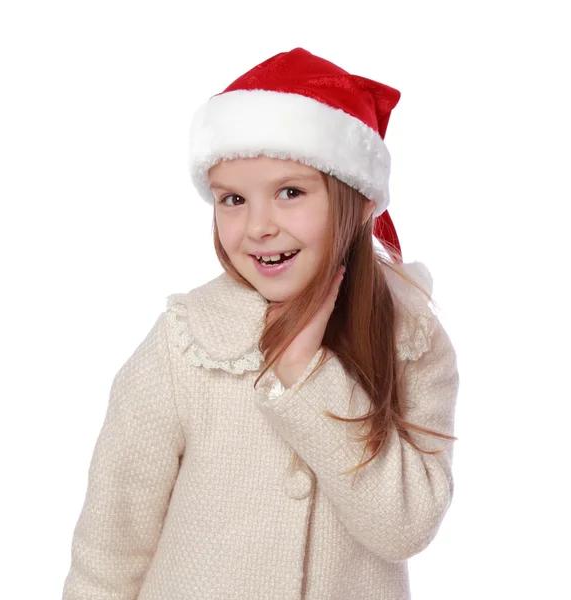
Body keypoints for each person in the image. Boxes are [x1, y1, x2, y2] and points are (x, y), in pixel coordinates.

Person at [62, 47, 460, 600]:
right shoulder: (188, 341)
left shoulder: (412, 339)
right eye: (232, 199)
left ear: (361, 199)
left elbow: (406, 526)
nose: (258, 227)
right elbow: (111, 546)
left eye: (290, 192)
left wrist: (307, 372)